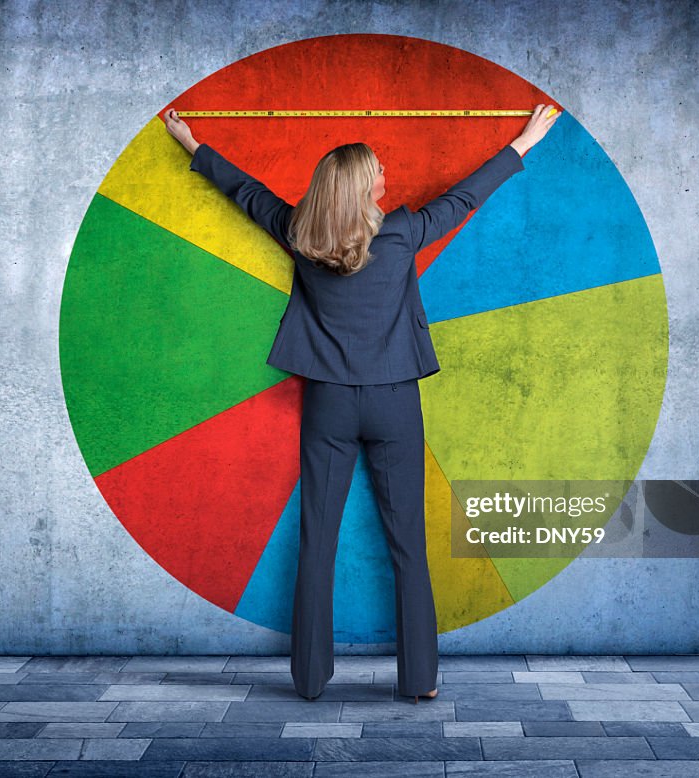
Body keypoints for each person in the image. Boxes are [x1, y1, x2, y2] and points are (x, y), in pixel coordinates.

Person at [164, 105, 559, 703]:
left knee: (317, 539)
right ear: (358, 187)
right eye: (376, 171)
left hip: (328, 403)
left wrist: (192, 144)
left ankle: (310, 679)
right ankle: (420, 679)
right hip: (395, 401)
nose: (385, 177)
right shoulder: (401, 232)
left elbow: (246, 193)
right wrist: (526, 140)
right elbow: (466, 196)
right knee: (409, 548)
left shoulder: (299, 231)